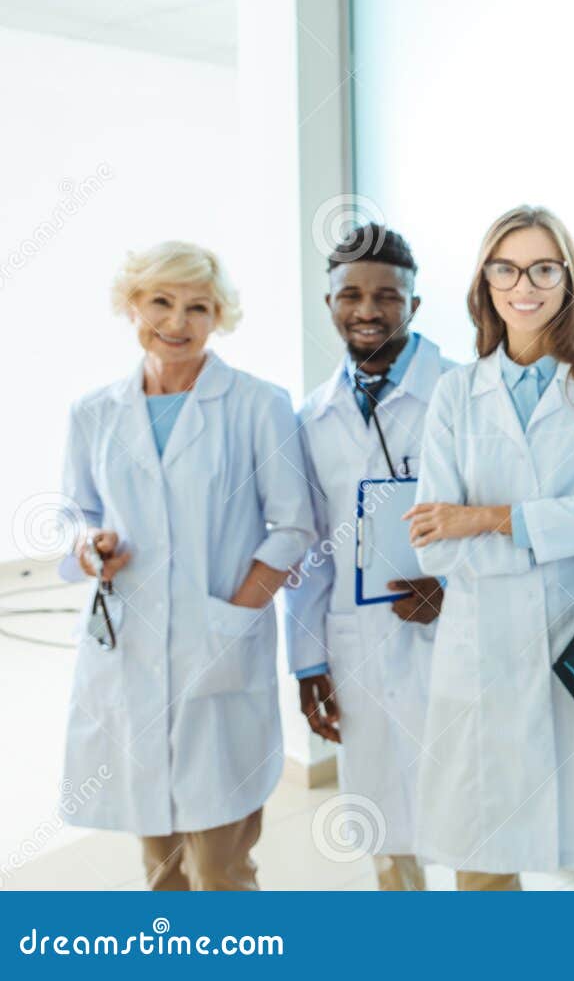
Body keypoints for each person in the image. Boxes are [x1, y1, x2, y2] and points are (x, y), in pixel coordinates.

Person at [57, 241, 314, 890]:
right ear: (132, 306)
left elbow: (293, 525)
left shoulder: (259, 403)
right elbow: (74, 512)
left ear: (218, 316)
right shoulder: (94, 412)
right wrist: (90, 546)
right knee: (159, 865)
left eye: (198, 307)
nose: (178, 322)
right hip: (131, 651)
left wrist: (232, 615)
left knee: (221, 866)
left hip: (218, 651)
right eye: (162, 302)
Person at [408, 206, 574, 890]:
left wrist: (484, 519)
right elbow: (432, 545)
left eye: (545, 267)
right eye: (508, 268)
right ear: (485, 281)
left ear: (567, 279)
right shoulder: (456, 392)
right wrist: (549, 534)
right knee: (481, 862)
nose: (526, 285)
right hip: (479, 652)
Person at [287, 224, 456, 890]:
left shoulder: (463, 393)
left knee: (476, 819)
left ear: (414, 305)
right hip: (355, 644)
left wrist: (453, 586)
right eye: (350, 294)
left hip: (453, 636)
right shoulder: (310, 418)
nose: (367, 309)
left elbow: (500, 517)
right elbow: (307, 553)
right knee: (383, 819)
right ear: (328, 304)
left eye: (387, 295)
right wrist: (308, 663)